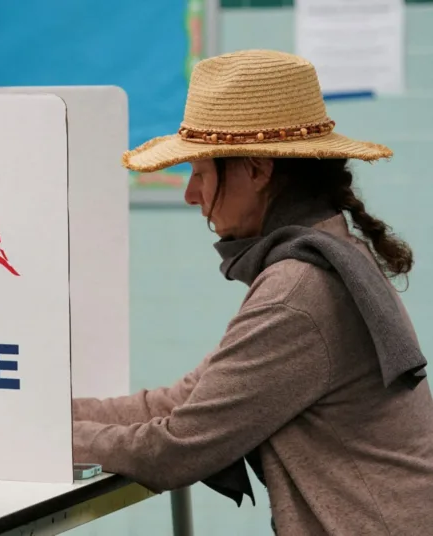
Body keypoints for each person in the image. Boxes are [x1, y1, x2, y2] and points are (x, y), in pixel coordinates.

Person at [71, 50, 433, 535]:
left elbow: (177, 447)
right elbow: (184, 401)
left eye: (200, 173)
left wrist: (40, 437)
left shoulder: (298, 291)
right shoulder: (325, 257)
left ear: (257, 171)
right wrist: (46, 414)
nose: (191, 194)